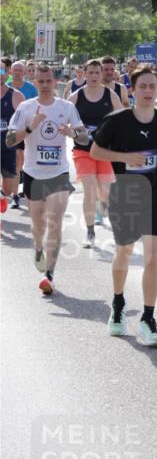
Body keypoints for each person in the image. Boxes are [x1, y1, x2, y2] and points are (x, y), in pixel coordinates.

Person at [91, 64, 157, 347]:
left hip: (154, 192)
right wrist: (125, 157)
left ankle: (148, 318)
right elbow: (95, 151)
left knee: (153, 255)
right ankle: (118, 304)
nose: (147, 91)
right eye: (142, 86)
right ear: (132, 90)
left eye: (152, 86)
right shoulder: (117, 121)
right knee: (125, 251)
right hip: (126, 192)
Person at [5, 64, 88, 294]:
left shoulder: (66, 107)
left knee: (55, 222)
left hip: (58, 173)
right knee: (38, 226)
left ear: (55, 82)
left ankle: (49, 274)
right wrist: (30, 128)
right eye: (40, 82)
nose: (44, 85)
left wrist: (72, 133)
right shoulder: (26, 107)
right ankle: (38, 248)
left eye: (48, 81)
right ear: (35, 82)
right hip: (33, 174)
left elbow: (84, 138)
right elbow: (9, 140)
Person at [70, 59, 123, 247]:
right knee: (89, 189)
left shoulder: (111, 95)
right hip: (82, 150)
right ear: (84, 74)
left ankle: (104, 206)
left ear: (101, 74)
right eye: (90, 72)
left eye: (97, 73)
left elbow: (122, 119)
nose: (93, 76)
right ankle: (90, 231)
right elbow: (63, 119)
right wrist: (73, 131)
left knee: (104, 193)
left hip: (103, 151)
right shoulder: (76, 97)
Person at [9, 61, 39, 209]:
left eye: (20, 70)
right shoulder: (5, 87)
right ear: (10, 72)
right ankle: (12, 192)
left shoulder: (31, 89)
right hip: (8, 129)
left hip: (25, 130)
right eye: (15, 70)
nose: (18, 73)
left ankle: (17, 194)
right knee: (14, 161)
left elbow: (37, 107)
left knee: (20, 160)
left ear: (25, 72)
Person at [1, 68, 24, 213]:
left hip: (8, 147)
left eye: (0, 70)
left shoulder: (16, 96)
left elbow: (25, 121)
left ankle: (3, 196)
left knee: (8, 188)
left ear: (6, 74)